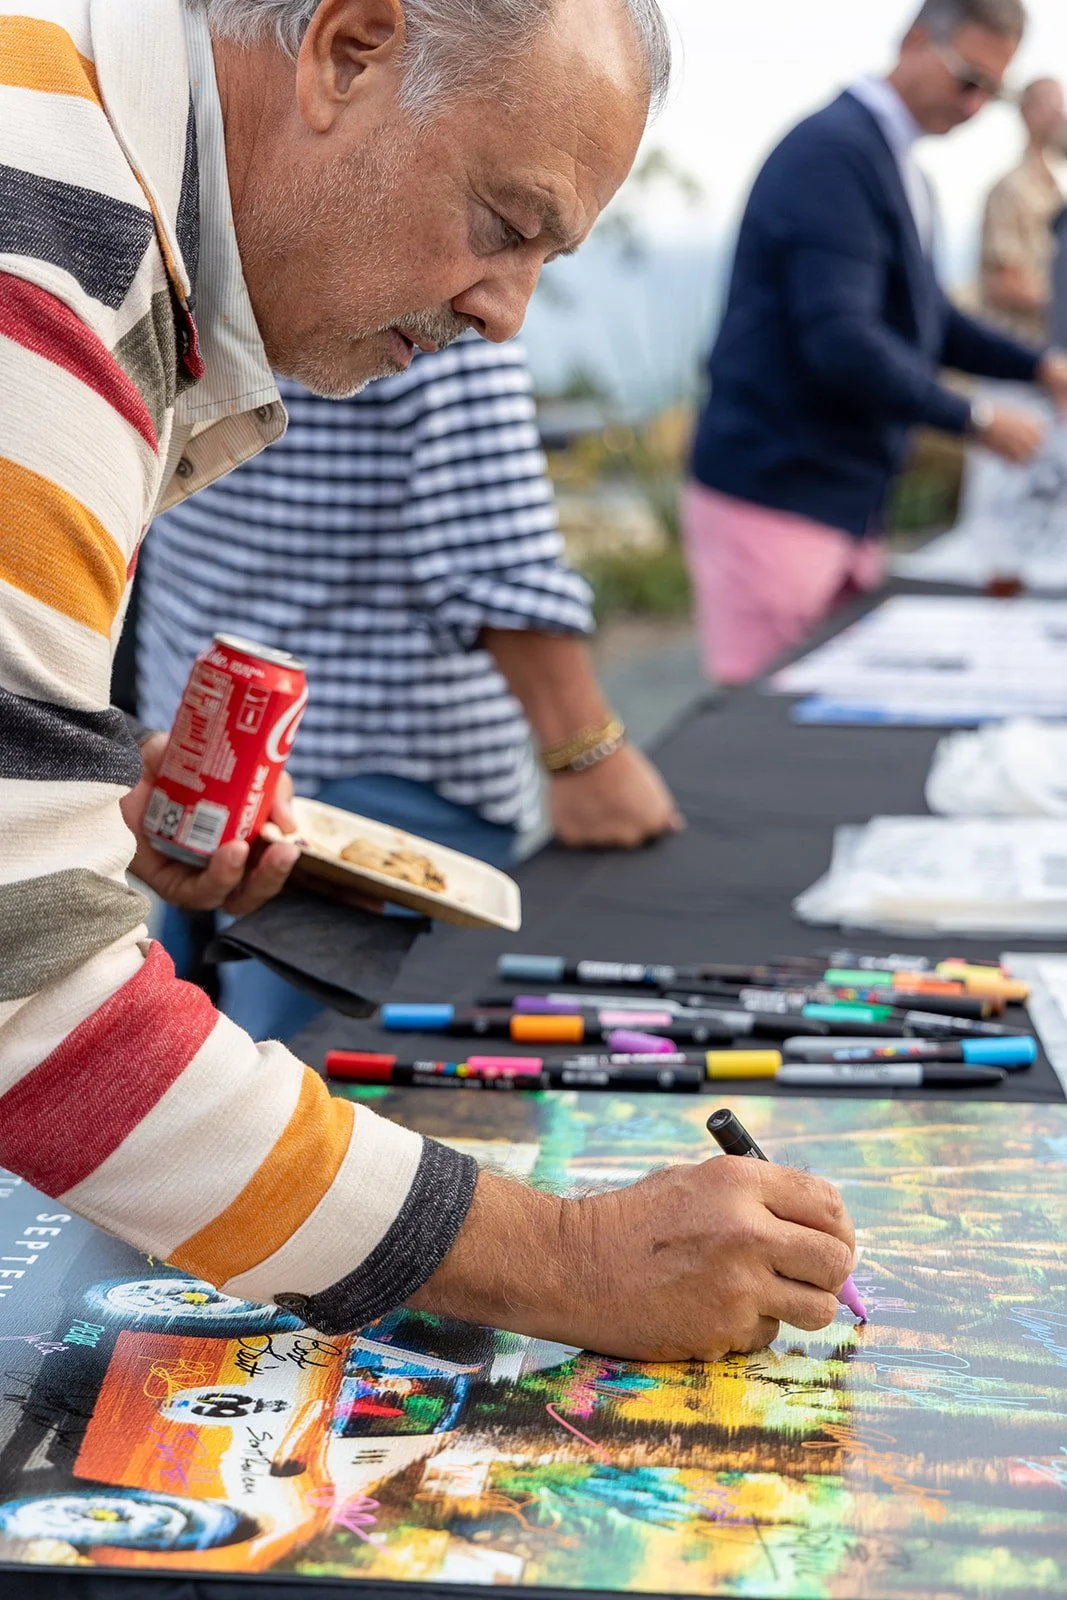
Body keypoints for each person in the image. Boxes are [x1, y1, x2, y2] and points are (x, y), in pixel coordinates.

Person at [0, 0, 858, 1360]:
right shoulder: (40, 264)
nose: (505, 318)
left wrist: (56, 780)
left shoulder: (89, 168)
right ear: (348, 47)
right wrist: (569, 1261)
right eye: (506, 227)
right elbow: (32, 1009)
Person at [137, 337, 684, 1042]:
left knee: (186, 1057)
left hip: (203, 737)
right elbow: (495, 557)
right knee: (313, 1080)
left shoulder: (188, 239)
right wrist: (587, 754)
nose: (507, 306)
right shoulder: (452, 266)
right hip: (372, 790)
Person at [683, 0, 1067, 687]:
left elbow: (927, 321)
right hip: (777, 494)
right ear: (916, 40)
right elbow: (840, 340)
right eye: (966, 79)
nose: (975, 105)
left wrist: (1038, 368)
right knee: (764, 728)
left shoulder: (895, 164)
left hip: (841, 503)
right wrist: (973, 421)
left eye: (992, 91)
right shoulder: (834, 156)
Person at [981, 77, 1067, 345]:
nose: (1058, 113)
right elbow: (1003, 284)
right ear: (1026, 112)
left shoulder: (1054, 187)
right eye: (1050, 104)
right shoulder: (1011, 188)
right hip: (1019, 358)